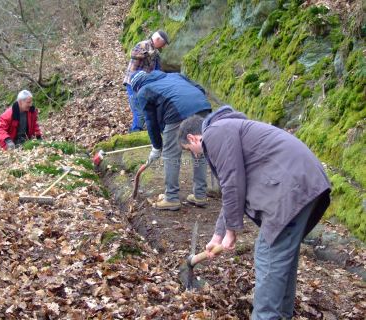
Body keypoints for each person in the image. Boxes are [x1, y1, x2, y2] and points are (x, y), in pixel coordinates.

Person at [178, 106, 331, 319]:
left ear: (192, 138)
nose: (194, 156)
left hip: (291, 188)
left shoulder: (215, 133)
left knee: (268, 255)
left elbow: (232, 183)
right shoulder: (230, 128)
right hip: (305, 183)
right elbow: (232, 189)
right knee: (281, 256)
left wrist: (231, 231)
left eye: (188, 150)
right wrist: (218, 235)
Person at [131, 70, 212, 210]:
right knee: (199, 150)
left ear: (137, 86)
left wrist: (157, 147)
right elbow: (200, 89)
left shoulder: (143, 91)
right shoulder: (174, 75)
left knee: (170, 154)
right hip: (202, 106)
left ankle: (171, 198)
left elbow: (151, 122)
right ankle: (200, 195)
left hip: (177, 112)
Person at [123, 30, 169, 132]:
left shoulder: (156, 53)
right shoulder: (143, 45)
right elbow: (133, 54)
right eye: (164, 43)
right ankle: (135, 134)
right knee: (139, 112)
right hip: (132, 83)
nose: (164, 46)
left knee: (146, 110)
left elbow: (158, 70)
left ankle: (138, 131)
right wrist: (148, 54)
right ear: (157, 39)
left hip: (144, 86)